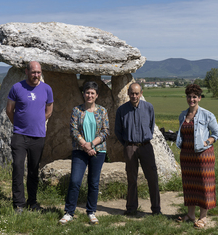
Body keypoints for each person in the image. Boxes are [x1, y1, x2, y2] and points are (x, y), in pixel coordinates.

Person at [6, 61, 54, 214]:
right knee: (18, 168)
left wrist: (37, 123)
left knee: (34, 170)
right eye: (33, 72)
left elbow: (49, 111)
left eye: (38, 72)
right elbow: (9, 110)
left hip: (38, 136)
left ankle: (32, 202)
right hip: (19, 135)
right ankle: (18, 204)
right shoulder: (17, 88)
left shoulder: (47, 89)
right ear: (26, 72)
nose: (36, 75)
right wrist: (20, 127)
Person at [59, 81, 109, 225]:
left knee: (93, 183)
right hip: (80, 150)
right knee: (75, 181)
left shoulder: (102, 111)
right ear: (83, 94)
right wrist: (85, 145)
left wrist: (92, 144)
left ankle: (91, 212)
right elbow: (73, 130)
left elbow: (106, 131)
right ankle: (69, 212)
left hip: (98, 150)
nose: (89, 95)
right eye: (87, 92)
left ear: (97, 95)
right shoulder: (77, 110)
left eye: (92, 93)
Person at [176, 84, 218, 228]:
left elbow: (217, 133)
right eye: (189, 96)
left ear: (199, 98)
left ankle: (203, 218)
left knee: (204, 185)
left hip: (203, 156)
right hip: (187, 156)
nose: (191, 99)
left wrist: (206, 142)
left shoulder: (208, 115)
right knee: (189, 185)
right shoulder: (183, 115)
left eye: (194, 96)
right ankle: (190, 215)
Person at [115, 83, 161, 216]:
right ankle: (131, 209)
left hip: (146, 147)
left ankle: (156, 209)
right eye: (132, 93)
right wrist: (127, 144)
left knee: (152, 178)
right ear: (128, 94)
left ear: (141, 93)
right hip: (129, 147)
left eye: (136, 93)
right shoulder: (122, 110)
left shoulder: (149, 107)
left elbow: (151, 126)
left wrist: (144, 139)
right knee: (131, 179)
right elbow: (117, 131)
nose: (134, 96)